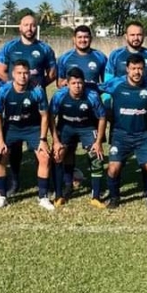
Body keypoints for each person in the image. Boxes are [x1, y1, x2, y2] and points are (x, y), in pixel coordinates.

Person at [0, 14, 57, 194]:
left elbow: (52, 74)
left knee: (41, 142)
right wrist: (16, 87)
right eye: (26, 25)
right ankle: (15, 181)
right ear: (20, 27)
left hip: (36, 102)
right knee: (14, 146)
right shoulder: (10, 47)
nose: (29, 28)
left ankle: (45, 183)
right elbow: (0, 71)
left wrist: (35, 87)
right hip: (15, 102)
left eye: (32, 25)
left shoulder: (44, 48)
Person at [99, 54, 147, 210]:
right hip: (120, 135)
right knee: (113, 169)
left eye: (140, 68)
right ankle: (114, 198)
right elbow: (95, 87)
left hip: (144, 136)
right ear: (127, 69)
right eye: (134, 68)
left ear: (144, 69)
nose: (137, 72)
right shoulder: (116, 84)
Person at [0, 60, 52, 210]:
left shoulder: (37, 91)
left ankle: (43, 197)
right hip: (11, 128)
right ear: (13, 74)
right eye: (19, 73)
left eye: (26, 73)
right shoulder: (4, 90)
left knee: (44, 157)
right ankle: (2, 196)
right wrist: (0, 139)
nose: (23, 76)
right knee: (0, 156)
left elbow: (45, 116)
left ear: (29, 74)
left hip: (32, 128)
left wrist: (43, 139)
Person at [49, 67, 106, 207]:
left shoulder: (92, 95)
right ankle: (61, 193)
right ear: (67, 84)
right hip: (66, 127)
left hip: (87, 127)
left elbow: (102, 118)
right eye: (73, 83)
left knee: (96, 156)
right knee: (58, 154)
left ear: (84, 83)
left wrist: (98, 142)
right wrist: (55, 141)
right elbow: (51, 117)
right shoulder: (59, 96)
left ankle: (96, 196)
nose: (77, 86)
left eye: (80, 83)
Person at [56, 25, 107, 90]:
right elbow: (60, 84)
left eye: (86, 37)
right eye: (79, 37)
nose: (83, 40)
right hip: (72, 96)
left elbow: (106, 83)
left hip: (93, 95)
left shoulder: (101, 57)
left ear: (91, 39)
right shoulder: (64, 58)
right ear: (74, 39)